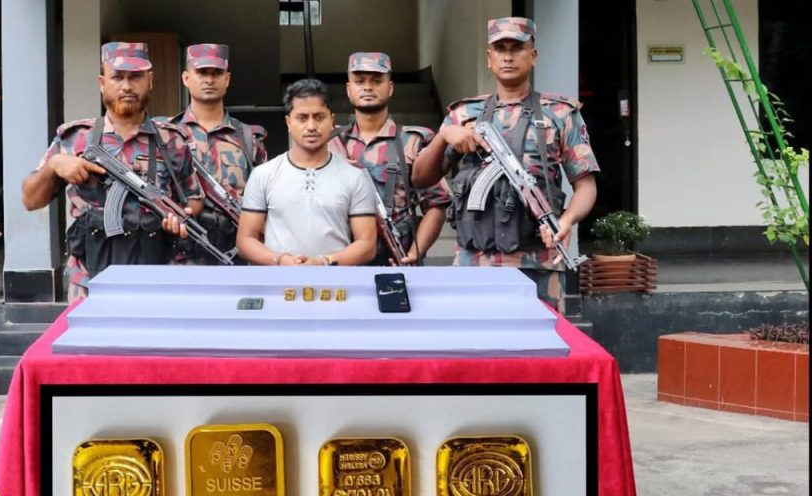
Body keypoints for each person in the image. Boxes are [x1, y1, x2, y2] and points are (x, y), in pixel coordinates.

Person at [411, 17, 598, 312]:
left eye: (517, 48)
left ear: (533, 56)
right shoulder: (463, 114)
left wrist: (567, 220)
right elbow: (420, 178)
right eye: (500, 49)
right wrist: (445, 136)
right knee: (475, 341)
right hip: (475, 264)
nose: (508, 56)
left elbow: (585, 185)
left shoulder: (560, 113)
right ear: (489, 58)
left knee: (542, 340)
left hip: (539, 264)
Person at [21, 41, 203, 300]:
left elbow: (193, 199)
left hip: (157, 277)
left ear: (150, 81)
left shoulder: (172, 140)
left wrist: (178, 217)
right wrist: (54, 166)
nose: (126, 86)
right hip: (89, 280)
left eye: (135, 77)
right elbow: (30, 200)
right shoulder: (74, 139)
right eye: (117, 77)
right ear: (102, 83)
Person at [236, 79, 378, 266]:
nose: (311, 126)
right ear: (288, 122)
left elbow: (367, 245)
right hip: (279, 282)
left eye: (319, 117)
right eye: (302, 118)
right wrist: (281, 260)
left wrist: (324, 262)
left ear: (332, 120)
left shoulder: (354, 177)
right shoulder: (263, 175)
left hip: (335, 282)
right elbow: (245, 240)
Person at [330, 51, 451, 265]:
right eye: (359, 81)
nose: (368, 87)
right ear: (349, 89)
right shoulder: (329, 142)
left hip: (395, 258)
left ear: (390, 88)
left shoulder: (414, 141)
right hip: (340, 260)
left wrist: (415, 252)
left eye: (377, 81)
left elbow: (436, 204)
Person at [169, 43, 268, 262]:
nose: (209, 80)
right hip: (181, 252)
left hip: (236, 252)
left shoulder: (249, 138)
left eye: (216, 73)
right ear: (186, 78)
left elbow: (265, 197)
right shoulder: (167, 134)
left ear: (227, 79)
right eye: (202, 72)